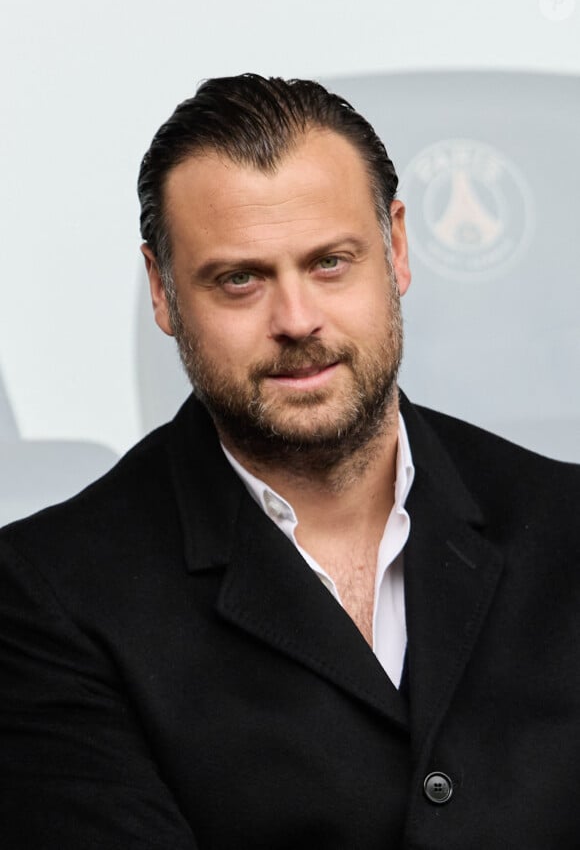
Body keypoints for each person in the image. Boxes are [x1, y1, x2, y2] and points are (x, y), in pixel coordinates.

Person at [0, 74, 579, 850]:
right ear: (163, 293)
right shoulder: (49, 596)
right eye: (240, 279)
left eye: (331, 263)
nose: (297, 320)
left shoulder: (566, 525)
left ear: (397, 248)